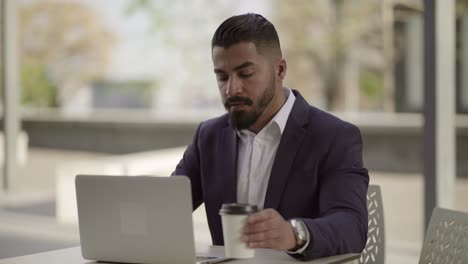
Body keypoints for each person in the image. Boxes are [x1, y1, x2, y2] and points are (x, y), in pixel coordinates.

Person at [173, 13, 369, 260]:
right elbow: (167, 209)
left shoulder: (334, 137)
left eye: (245, 74)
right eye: (222, 76)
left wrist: (294, 233)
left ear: (280, 69)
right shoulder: (208, 136)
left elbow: (352, 226)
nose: (231, 89)